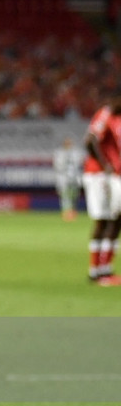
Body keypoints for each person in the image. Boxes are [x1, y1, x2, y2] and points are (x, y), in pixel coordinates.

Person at [82, 100, 121, 284]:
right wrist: (105, 166)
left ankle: (102, 270)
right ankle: (99, 271)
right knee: (105, 220)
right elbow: (90, 140)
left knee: (112, 220)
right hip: (99, 175)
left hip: (107, 175)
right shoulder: (106, 114)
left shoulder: (113, 116)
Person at [53, 135, 83, 222]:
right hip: (63, 178)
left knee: (74, 195)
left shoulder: (76, 153)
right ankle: (66, 212)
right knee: (65, 195)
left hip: (74, 177)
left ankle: (73, 211)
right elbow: (58, 165)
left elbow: (79, 163)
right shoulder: (59, 152)